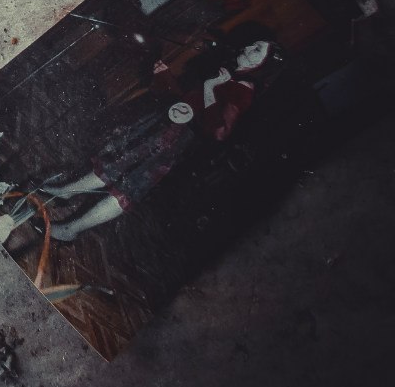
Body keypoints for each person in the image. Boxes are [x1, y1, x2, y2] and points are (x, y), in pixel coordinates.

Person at [43, 25, 283, 242]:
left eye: (258, 50)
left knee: (129, 187)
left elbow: (219, 131)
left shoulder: (244, 89)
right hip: (164, 126)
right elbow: (192, 104)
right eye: (254, 44)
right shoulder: (228, 73)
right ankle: (65, 192)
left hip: (177, 140)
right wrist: (165, 77)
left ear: (262, 65)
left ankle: (70, 229)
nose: (250, 48)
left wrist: (210, 87)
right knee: (113, 164)